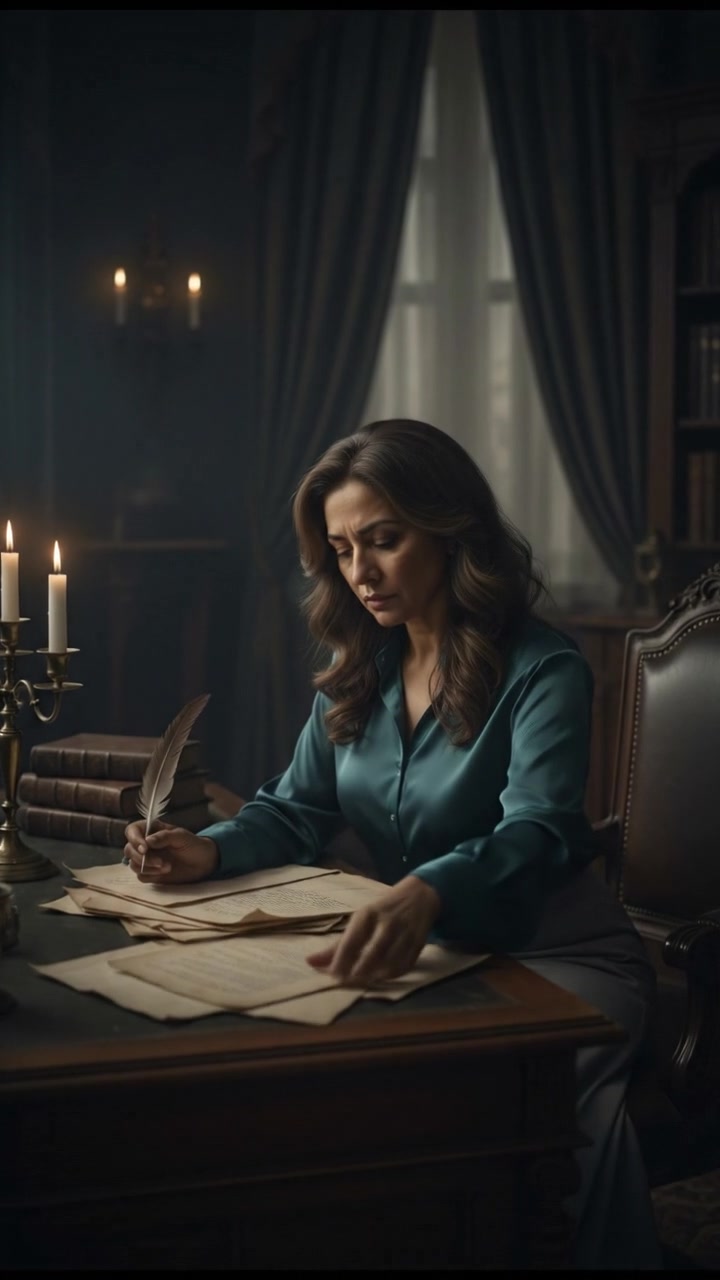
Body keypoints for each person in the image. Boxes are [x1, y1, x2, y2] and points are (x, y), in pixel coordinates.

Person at [123, 418, 663, 1270]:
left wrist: (430, 888)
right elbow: (294, 809)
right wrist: (211, 851)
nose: (361, 572)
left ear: (451, 531)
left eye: (383, 539)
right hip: (439, 952)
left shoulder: (542, 669)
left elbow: (538, 828)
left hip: (564, 958)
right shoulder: (357, 671)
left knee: (549, 1115)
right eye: (341, 549)